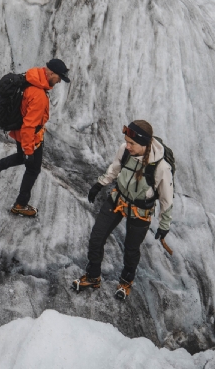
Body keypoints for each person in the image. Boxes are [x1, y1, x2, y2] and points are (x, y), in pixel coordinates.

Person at [72, 120, 173, 300]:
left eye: (132, 143)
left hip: (141, 211)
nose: (127, 146)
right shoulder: (125, 150)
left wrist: (164, 224)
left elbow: (166, 197)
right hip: (117, 200)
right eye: (126, 141)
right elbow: (115, 168)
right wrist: (99, 184)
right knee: (96, 238)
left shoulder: (161, 168)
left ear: (144, 144)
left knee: (131, 249)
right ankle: (93, 276)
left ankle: (125, 283)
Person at [0, 59, 71, 217]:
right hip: (31, 137)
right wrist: (29, 151)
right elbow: (29, 126)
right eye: (59, 77)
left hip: (21, 132)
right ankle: (21, 204)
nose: (60, 80)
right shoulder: (38, 95)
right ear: (51, 73)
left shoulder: (32, 76)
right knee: (33, 169)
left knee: (20, 158)